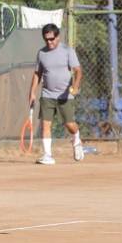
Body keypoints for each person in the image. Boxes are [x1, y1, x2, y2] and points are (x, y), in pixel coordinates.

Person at [28, 23, 84, 165]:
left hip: (65, 96)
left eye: (52, 39)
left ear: (58, 37)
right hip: (47, 94)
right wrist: (32, 92)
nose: (49, 42)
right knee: (46, 125)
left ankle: (76, 138)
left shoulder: (67, 51)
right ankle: (48, 155)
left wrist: (75, 86)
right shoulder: (41, 53)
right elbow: (37, 74)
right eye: (46, 39)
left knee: (69, 124)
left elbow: (78, 70)